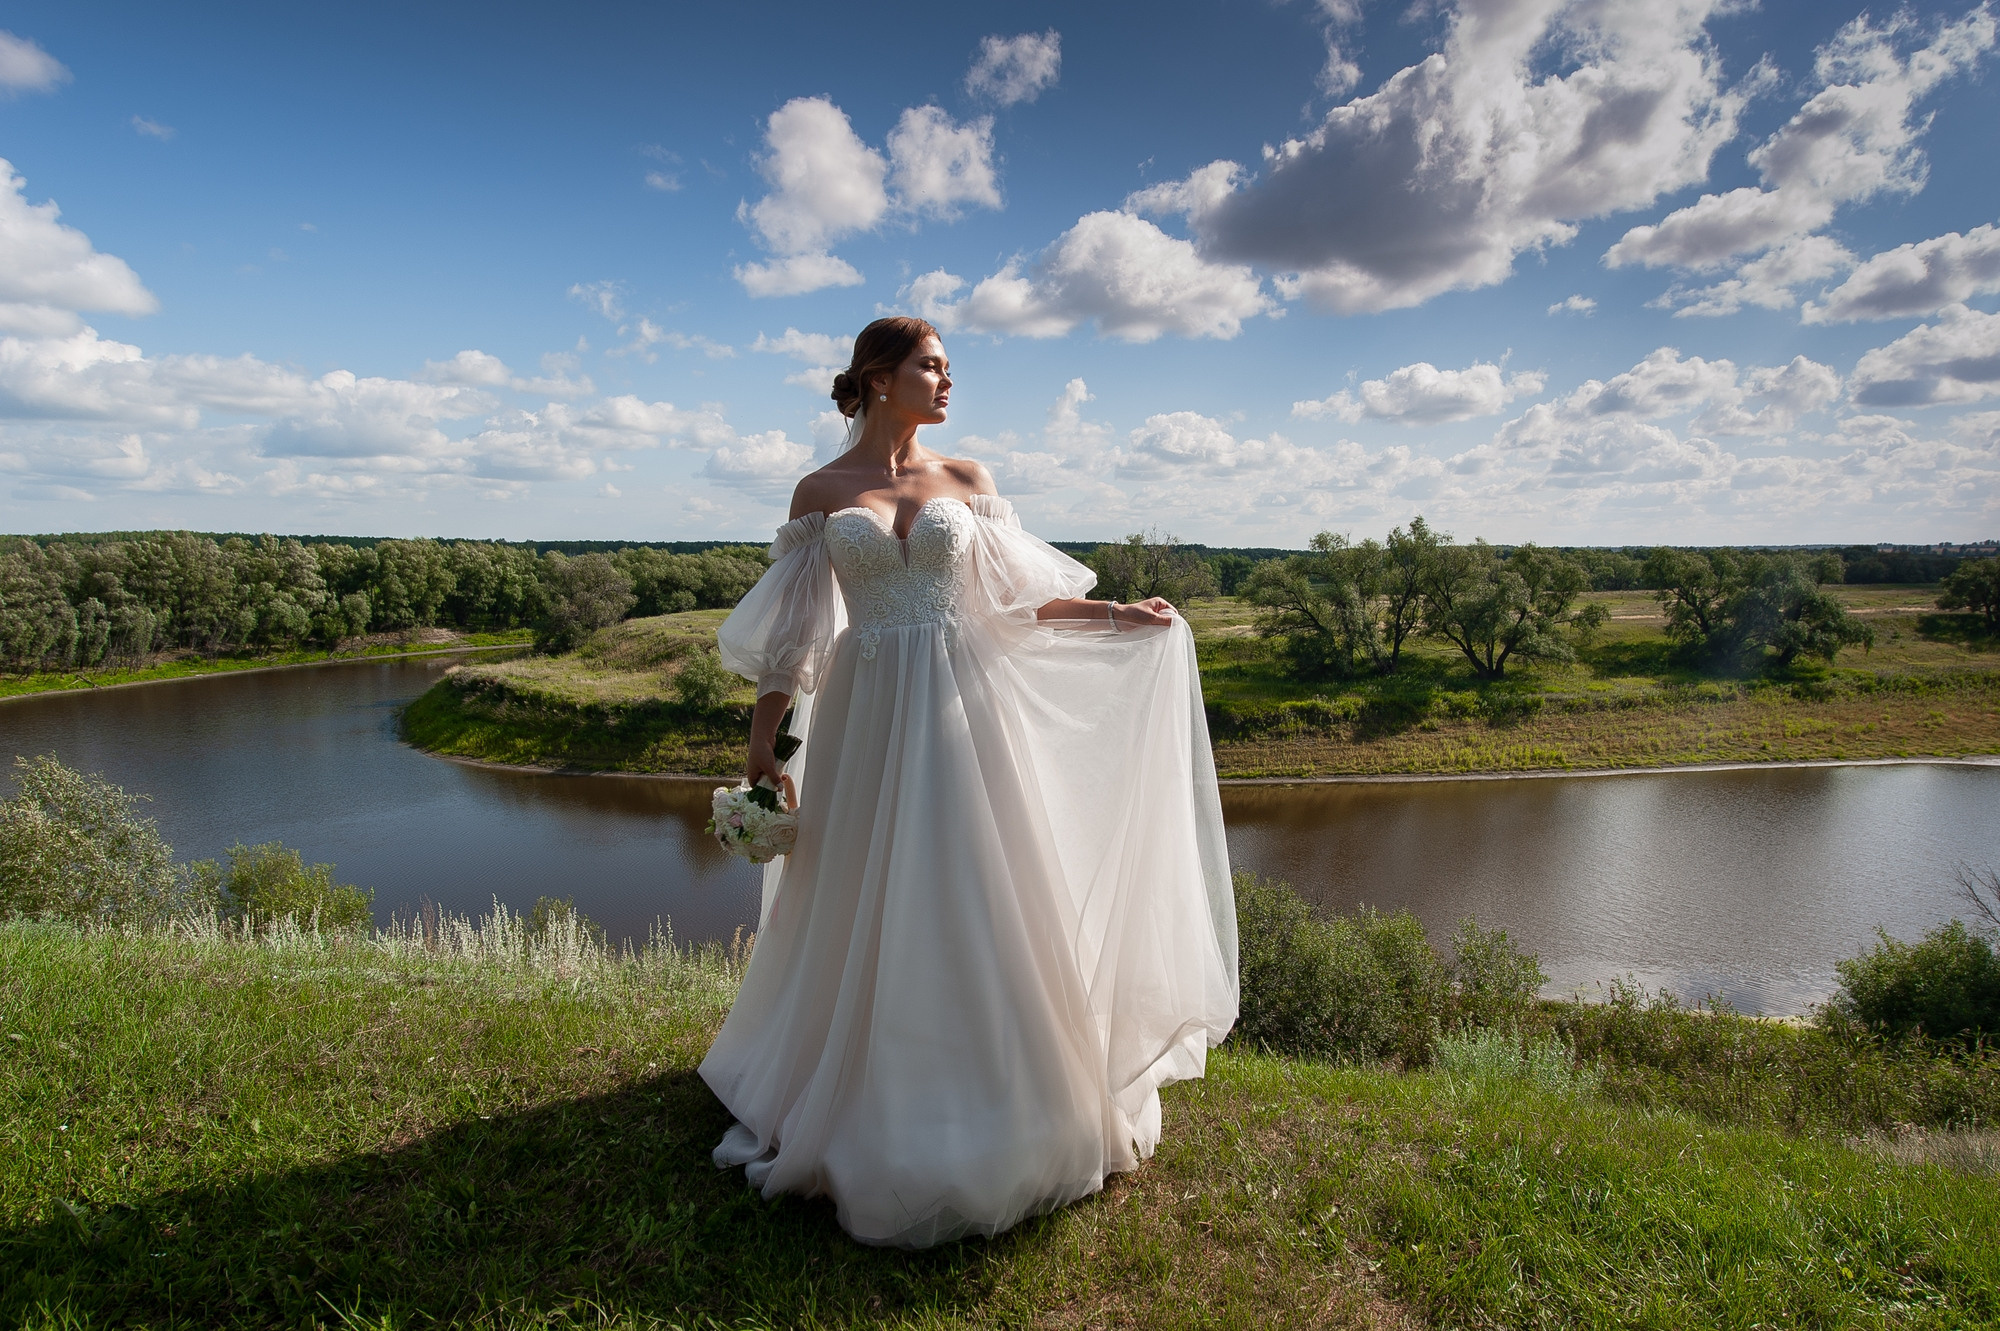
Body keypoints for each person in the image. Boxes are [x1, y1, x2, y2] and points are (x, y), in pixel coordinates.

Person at [699, 316, 1237, 1248]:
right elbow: (793, 636)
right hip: (866, 716)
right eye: (931, 366)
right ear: (878, 376)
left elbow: (1016, 603)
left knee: (979, 885)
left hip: (964, 710)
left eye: (949, 367)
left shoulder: (969, 479)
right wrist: (763, 743)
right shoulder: (820, 492)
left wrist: (1117, 612)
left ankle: (1011, 1095)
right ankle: (860, 1090)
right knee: (863, 890)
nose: (948, 381)